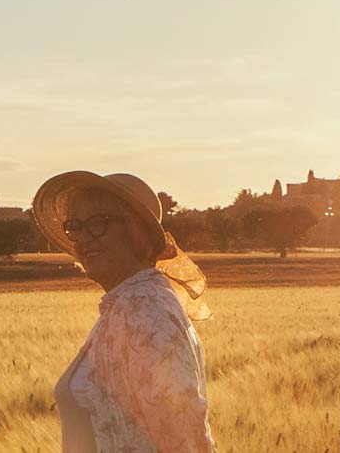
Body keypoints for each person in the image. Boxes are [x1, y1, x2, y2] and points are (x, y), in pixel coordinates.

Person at [33, 171, 216, 452]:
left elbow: (184, 436)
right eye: (75, 226)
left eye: (98, 224)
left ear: (136, 232)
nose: (82, 239)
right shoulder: (126, 306)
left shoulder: (144, 311)